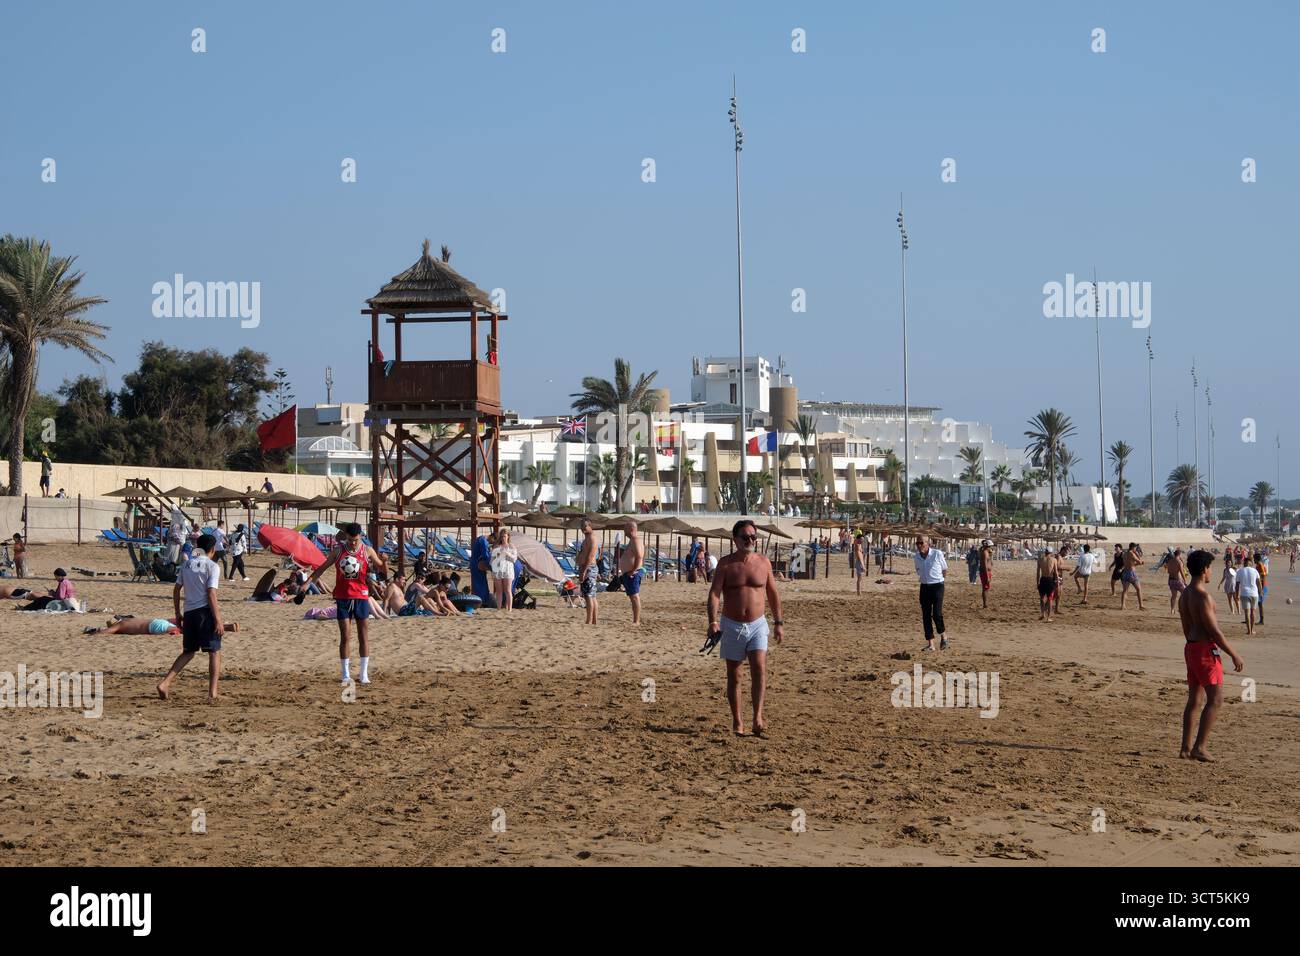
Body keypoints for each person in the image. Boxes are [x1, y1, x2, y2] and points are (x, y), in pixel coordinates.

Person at [706, 519, 784, 736]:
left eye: (753, 537)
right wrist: (713, 621)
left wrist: (778, 622)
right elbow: (714, 594)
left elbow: (773, 593)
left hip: (758, 624)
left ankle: (758, 717)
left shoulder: (764, 563)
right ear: (735, 540)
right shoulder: (725, 564)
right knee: (735, 675)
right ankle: (737, 721)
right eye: (746, 537)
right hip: (731, 624)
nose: (750, 540)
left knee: (759, 668)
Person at [1178, 550, 1245, 762]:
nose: (1211, 572)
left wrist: (1193, 648)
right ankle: (1200, 747)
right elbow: (1215, 631)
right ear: (1205, 569)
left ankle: (1186, 748)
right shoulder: (1202, 596)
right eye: (1210, 568)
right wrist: (1234, 654)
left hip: (1191, 647)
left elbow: (1186, 627)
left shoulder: (1185, 595)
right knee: (1215, 699)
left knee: (1195, 700)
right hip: (1205, 650)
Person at [301, 522, 388, 684]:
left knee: (364, 636)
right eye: (349, 540)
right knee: (345, 636)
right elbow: (321, 569)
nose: (352, 543)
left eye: (355, 540)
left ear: (360, 536)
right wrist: (306, 585)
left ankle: (363, 674)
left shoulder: (367, 550)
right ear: (346, 537)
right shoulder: (338, 550)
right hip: (342, 596)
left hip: (361, 596)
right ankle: (346, 674)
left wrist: (385, 561)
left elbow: (382, 569)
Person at [157, 533, 226, 701]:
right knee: (214, 652)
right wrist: (218, 619)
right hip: (204, 613)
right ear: (212, 549)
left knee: (188, 652)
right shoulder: (212, 566)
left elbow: (176, 590)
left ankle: (165, 683)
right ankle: (212, 693)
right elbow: (211, 594)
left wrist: (177, 614)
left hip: (189, 613)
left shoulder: (187, 564)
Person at [914, 534, 948, 650]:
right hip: (924, 587)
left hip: (937, 586)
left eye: (921, 543)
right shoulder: (916, 557)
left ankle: (944, 637)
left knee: (937, 614)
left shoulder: (937, 554)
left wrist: (939, 580)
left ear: (927, 543)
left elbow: (944, 569)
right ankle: (931, 644)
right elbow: (918, 571)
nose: (919, 545)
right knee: (926, 616)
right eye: (917, 543)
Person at [87, 616, 240, 637]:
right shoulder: (127, 621)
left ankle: (226, 627)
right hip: (157, 621)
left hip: (154, 627)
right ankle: (225, 626)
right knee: (184, 624)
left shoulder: (120, 626)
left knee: (182, 629)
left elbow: (106, 632)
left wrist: (96, 633)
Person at [618, 520, 645, 624]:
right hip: (629, 573)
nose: (624, 531)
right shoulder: (632, 541)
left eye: (625, 529)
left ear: (631, 529)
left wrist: (633, 571)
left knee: (635, 596)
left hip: (633, 573)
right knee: (632, 597)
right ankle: (635, 620)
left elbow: (639, 556)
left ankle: (636, 621)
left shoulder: (635, 540)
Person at [577, 519, 599, 625]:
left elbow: (590, 556)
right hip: (586, 568)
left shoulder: (592, 539)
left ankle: (589, 620)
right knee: (590, 595)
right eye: (581, 526)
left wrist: (584, 571)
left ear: (590, 526)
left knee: (589, 596)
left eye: (584, 526)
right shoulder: (586, 539)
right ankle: (593, 620)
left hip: (589, 568)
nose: (582, 528)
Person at [490, 530, 519, 614]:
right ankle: (498, 608)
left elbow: (514, 559)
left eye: (505, 536)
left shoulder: (511, 546)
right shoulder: (496, 547)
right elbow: (492, 560)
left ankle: (509, 609)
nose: (503, 538)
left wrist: (507, 553)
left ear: (508, 537)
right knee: (499, 590)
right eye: (502, 536)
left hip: (508, 570)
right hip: (498, 570)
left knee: (508, 590)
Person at [470, 529, 499, 609]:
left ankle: (482, 601)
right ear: (492, 537)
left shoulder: (481, 539)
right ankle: (482, 601)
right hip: (477, 564)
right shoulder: (483, 541)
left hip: (475, 563)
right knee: (480, 584)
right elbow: (485, 555)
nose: (491, 543)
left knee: (480, 583)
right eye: (493, 542)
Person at [1236, 555, 1260, 635]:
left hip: (1244, 593)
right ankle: (1252, 630)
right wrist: (1261, 592)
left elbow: (1237, 584)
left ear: (1244, 563)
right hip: (1254, 593)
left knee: (1247, 613)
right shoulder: (1255, 571)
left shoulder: (1239, 571)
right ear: (1250, 563)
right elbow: (1258, 583)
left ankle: (1249, 630)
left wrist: (1237, 595)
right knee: (1253, 612)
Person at [1119, 542, 1145, 611]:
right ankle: (1141, 605)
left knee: (1125, 590)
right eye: (1135, 547)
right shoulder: (1132, 553)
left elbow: (1130, 564)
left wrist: (1137, 564)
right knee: (1138, 589)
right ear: (1133, 547)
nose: (1136, 549)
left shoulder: (1124, 554)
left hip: (1125, 573)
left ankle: (1123, 605)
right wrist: (1136, 554)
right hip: (1131, 573)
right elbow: (1139, 561)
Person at [1036, 547, 1058, 622]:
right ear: (1051, 552)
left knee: (1042, 598)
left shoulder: (1040, 560)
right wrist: (1057, 581)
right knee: (1050, 598)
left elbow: (1038, 573)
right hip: (1050, 579)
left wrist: (1037, 582)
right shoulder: (1054, 560)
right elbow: (1056, 572)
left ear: (1045, 552)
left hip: (1043, 579)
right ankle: (1048, 617)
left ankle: (1042, 614)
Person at [1166, 548, 1188, 616]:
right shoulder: (1179, 562)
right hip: (1178, 581)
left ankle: (1172, 610)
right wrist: (1185, 581)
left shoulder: (1169, 561)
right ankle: (1180, 608)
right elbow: (1182, 572)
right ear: (1179, 554)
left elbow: (1168, 571)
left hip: (1171, 580)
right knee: (1185, 594)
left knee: (1173, 596)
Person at [978, 538, 994, 608]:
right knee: (985, 588)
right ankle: (985, 604)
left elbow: (989, 562)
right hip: (985, 572)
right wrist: (987, 576)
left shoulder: (987, 553)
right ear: (988, 546)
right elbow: (984, 565)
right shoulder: (984, 553)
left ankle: (985, 603)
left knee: (986, 588)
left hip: (987, 572)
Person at [1254, 551, 1269, 625]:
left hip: (1262, 587)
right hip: (1260, 586)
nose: (1253, 560)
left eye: (1254, 559)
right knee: (1258, 603)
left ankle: (1262, 620)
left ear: (1256, 559)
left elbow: (1263, 576)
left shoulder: (1260, 565)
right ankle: (1259, 619)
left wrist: (1261, 589)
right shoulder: (1258, 565)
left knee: (1260, 603)